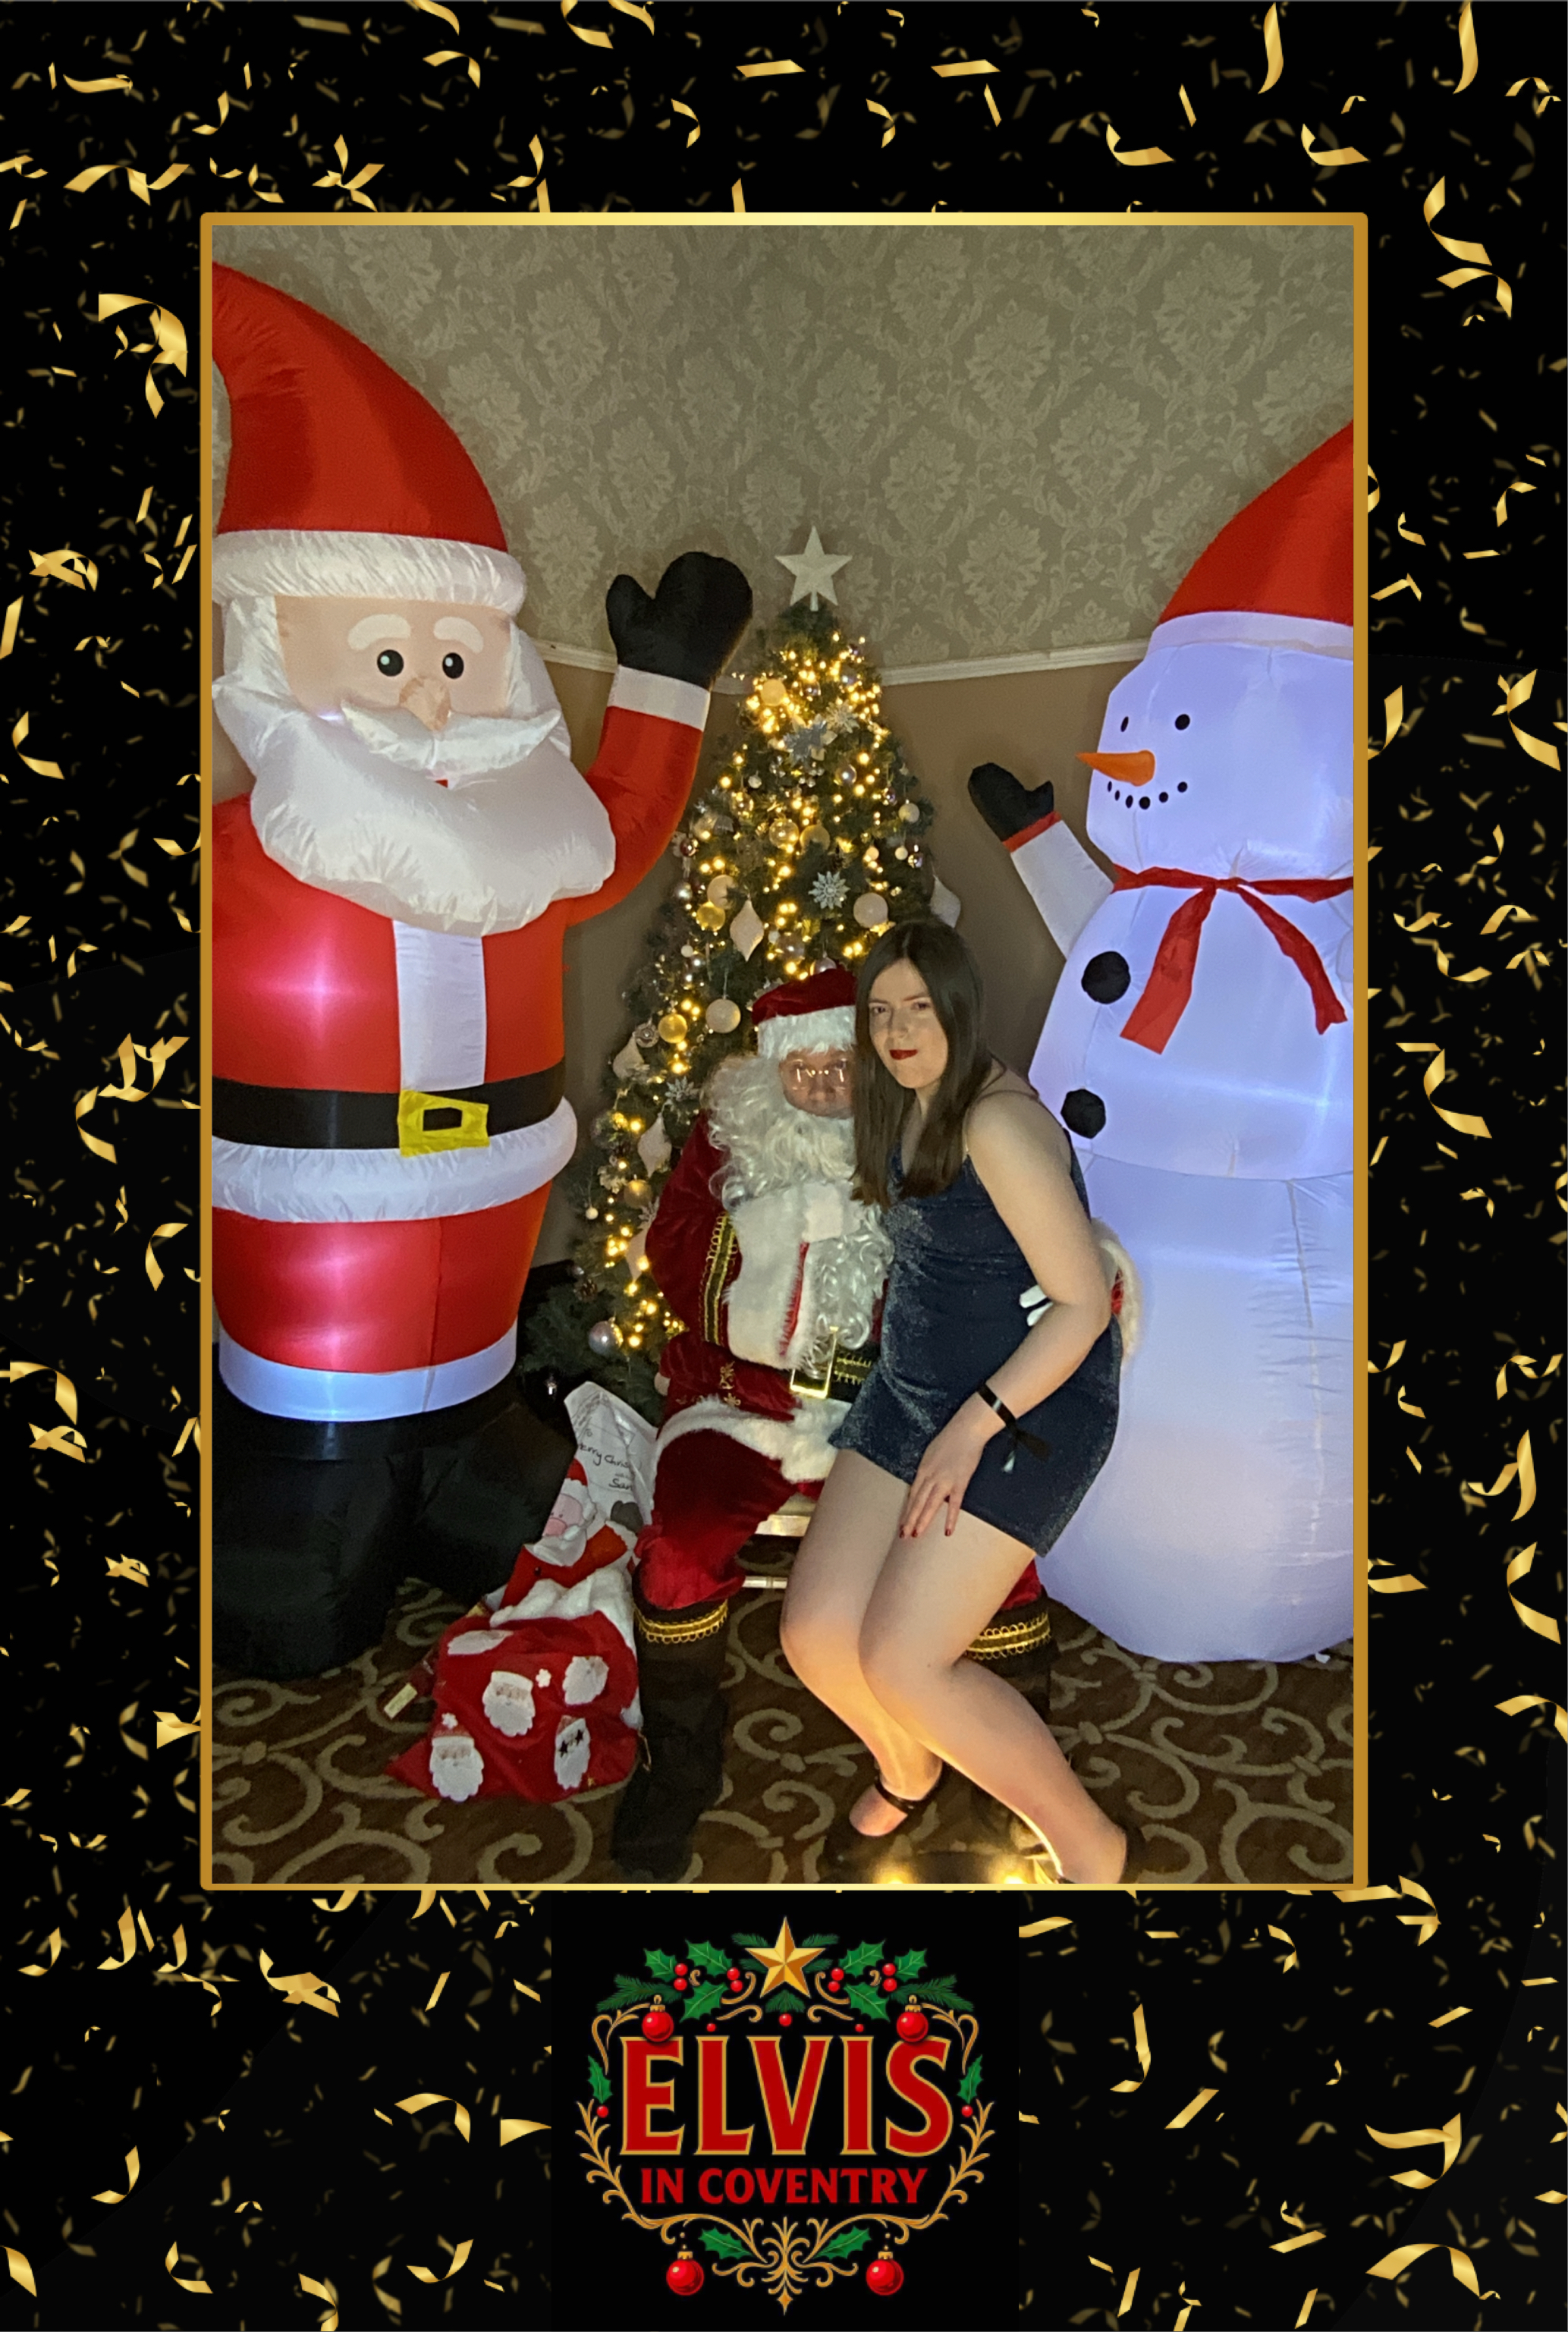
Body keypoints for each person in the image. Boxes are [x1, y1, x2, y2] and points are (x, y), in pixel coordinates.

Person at [207, 263, 752, 1681]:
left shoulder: (525, 844)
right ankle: (318, 1474)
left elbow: (619, 828)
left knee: (502, 1503)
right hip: (313, 1322)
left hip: (485, 1320)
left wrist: (666, 681)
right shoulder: (239, 852)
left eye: (458, 660)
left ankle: (456, 1443)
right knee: (297, 1609)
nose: (431, 698)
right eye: (388, 656)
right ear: (271, 642)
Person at [611, 964, 1058, 1883]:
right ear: (770, 1069)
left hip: (890, 1404)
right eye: (800, 1066)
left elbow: (996, 1240)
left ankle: (1008, 1769)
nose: (819, 1084)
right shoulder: (729, 1136)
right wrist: (785, 1233)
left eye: (838, 1066)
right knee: (684, 1542)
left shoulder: (928, 1131)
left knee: (983, 1534)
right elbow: (674, 1249)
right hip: (743, 1401)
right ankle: (681, 1760)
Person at [779, 919, 1140, 1884]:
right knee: (815, 1633)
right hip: (916, 1385)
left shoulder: (995, 1125)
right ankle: (910, 1771)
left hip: (1028, 1400)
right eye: (879, 1013)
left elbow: (1081, 1307)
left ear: (960, 1008)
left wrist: (970, 1430)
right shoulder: (909, 1095)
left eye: (919, 1009)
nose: (897, 1032)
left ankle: (1092, 1846)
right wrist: (825, 1088)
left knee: (903, 1660)